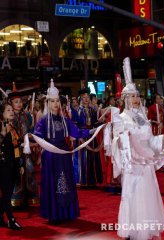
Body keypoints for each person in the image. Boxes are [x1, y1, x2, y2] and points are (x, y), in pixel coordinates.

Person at [111, 58, 164, 240]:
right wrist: (124, 138)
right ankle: (132, 231)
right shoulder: (121, 118)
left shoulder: (143, 118)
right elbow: (117, 143)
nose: (136, 99)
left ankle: (145, 231)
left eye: (137, 95)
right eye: (132, 96)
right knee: (133, 197)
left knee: (148, 198)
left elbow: (151, 141)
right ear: (124, 99)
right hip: (133, 166)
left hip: (146, 165)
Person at [33, 79, 90, 223]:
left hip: (64, 156)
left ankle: (66, 213)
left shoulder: (65, 120)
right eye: (52, 101)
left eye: (57, 101)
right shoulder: (43, 121)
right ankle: (54, 213)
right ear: (47, 103)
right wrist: (28, 140)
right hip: (51, 157)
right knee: (53, 183)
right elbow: (37, 137)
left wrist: (95, 130)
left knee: (65, 182)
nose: (55, 104)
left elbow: (77, 133)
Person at [7, 82, 39, 207]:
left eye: (20, 101)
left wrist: (32, 137)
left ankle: (30, 197)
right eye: (16, 102)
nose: (19, 104)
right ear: (10, 103)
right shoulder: (9, 116)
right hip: (14, 149)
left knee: (29, 171)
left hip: (26, 150)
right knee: (17, 173)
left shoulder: (27, 116)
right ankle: (16, 198)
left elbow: (30, 130)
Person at [0, 103, 23, 230]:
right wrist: (3, 133)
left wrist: (20, 163)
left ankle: (0, 218)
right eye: (7, 110)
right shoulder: (1, 126)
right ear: (2, 114)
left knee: (6, 194)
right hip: (3, 165)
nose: (11, 112)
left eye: (11, 110)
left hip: (13, 165)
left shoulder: (13, 128)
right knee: (7, 194)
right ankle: (11, 219)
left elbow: (17, 147)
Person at [76, 88, 102, 187]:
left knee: (92, 157)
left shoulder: (92, 110)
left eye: (87, 97)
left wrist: (101, 124)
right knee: (83, 157)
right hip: (82, 136)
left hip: (91, 135)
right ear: (81, 98)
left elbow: (95, 122)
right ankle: (83, 180)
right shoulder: (78, 110)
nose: (86, 99)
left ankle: (92, 180)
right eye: (84, 97)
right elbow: (76, 124)